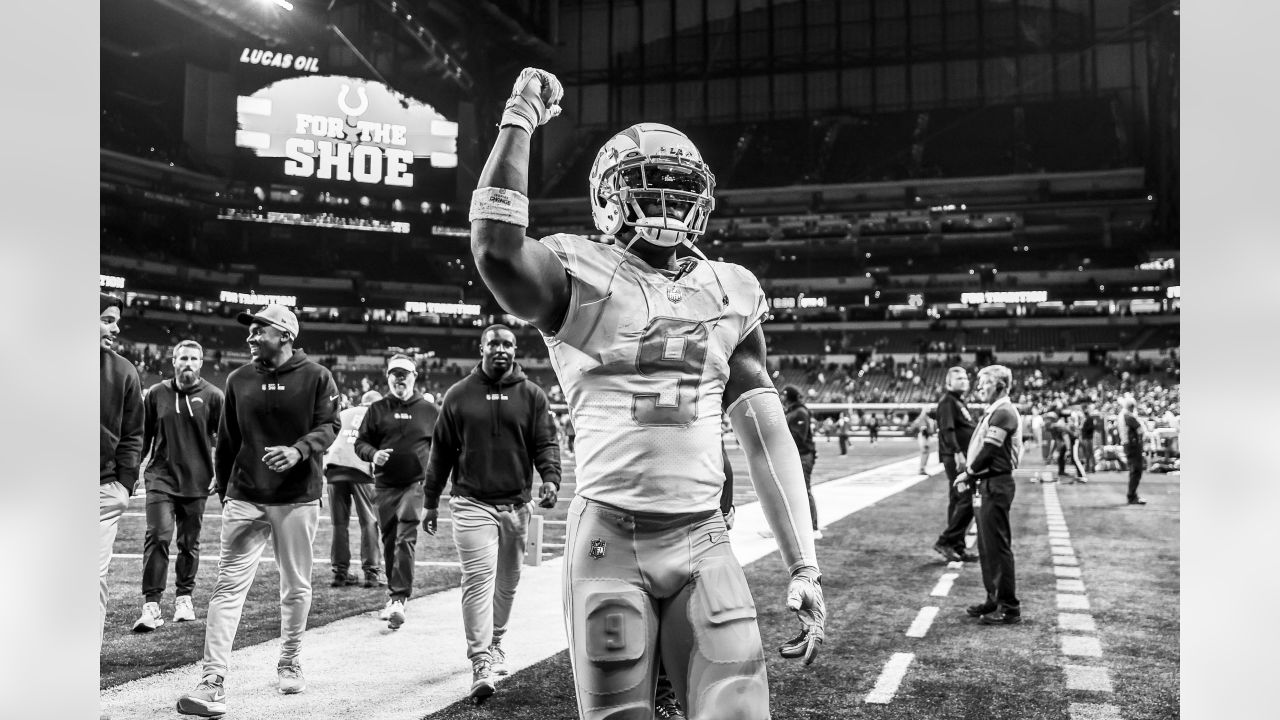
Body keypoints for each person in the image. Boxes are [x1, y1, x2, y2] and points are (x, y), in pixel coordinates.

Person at [466, 67, 825, 719]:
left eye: (679, 187)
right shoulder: (581, 270)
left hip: (703, 537)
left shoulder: (731, 289)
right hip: (610, 539)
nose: (666, 200)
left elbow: (766, 431)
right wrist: (518, 117)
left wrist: (804, 563)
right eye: (649, 184)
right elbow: (494, 249)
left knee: (740, 711)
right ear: (610, 195)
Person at [177, 304, 340, 716]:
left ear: (285, 334)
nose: (250, 337)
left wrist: (299, 450)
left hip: (297, 497)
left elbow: (330, 425)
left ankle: (289, 658)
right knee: (227, 587)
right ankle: (212, 680)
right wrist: (228, 489)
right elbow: (227, 440)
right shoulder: (239, 379)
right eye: (249, 331)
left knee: (296, 585)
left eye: (258, 330)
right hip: (245, 496)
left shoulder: (317, 376)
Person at [421, 325, 561, 703]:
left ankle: (496, 639)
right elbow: (441, 452)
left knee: (508, 582)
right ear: (481, 347)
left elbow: (545, 441)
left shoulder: (531, 395)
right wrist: (431, 500)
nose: (501, 349)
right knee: (478, 579)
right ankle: (480, 659)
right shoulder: (458, 395)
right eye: (494, 343)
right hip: (471, 503)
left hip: (516, 504)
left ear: (515, 350)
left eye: (508, 344)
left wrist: (550, 477)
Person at [134, 340, 223, 632]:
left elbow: (224, 441)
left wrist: (221, 474)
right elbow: (143, 437)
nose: (188, 363)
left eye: (194, 358)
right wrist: (134, 470)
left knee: (188, 544)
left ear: (201, 363)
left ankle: (184, 598)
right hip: (160, 479)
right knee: (158, 536)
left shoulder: (213, 396)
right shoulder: (156, 394)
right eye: (183, 357)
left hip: (197, 483)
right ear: (173, 361)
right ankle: (152, 604)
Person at [355, 355, 440, 629]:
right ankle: (395, 597)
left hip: (416, 485)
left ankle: (399, 597)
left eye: (405, 373)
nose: (399, 378)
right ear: (388, 376)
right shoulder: (377, 408)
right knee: (390, 540)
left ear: (415, 376)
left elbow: (443, 448)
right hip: (385, 485)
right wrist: (373, 454)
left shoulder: (429, 410)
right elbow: (361, 443)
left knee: (405, 536)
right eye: (395, 374)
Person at [953, 365, 1024, 625]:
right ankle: (994, 598)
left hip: (995, 483)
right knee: (986, 547)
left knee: (997, 546)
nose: (979, 387)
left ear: (1001, 386)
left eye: (985, 382)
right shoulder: (996, 410)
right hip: (987, 484)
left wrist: (969, 472)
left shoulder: (1004, 411)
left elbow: (990, 450)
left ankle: (1008, 607)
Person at [100, 292, 144, 648]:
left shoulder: (124, 371)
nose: (116, 328)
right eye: (107, 319)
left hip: (101, 491)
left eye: (116, 320)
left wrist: (124, 485)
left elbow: (133, 435)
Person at [323, 389, 385, 588]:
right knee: (369, 522)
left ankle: (340, 573)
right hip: (361, 470)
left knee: (338, 524)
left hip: (334, 468)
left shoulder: (344, 413)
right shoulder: (379, 415)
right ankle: (371, 574)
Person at [932, 366, 977, 563]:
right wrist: (959, 453)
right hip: (956, 458)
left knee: (957, 499)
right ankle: (946, 541)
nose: (964, 380)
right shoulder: (948, 401)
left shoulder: (958, 402)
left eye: (965, 377)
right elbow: (947, 431)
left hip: (961, 456)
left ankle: (957, 546)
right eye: (958, 378)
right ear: (948, 383)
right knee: (967, 499)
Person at [782, 385, 821, 538]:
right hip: (795, 456)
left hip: (803, 456)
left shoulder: (800, 412)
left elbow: (799, 437)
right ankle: (787, 528)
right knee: (786, 493)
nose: (781, 398)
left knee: (805, 491)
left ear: (789, 396)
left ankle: (813, 527)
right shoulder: (792, 411)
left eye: (784, 395)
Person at [1119, 397, 1148, 505]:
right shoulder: (1128, 416)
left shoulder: (1123, 415)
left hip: (1128, 445)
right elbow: (1140, 430)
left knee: (1134, 471)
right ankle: (1132, 496)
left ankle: (1132, 495)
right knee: (1136, 471)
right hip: (1133, 446)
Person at [912, 407, 935, 475]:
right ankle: (922, 468)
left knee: (926, 452)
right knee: (925, 451)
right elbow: (923, 430)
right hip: (924, 436)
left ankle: (923, 468)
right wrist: (926, 439)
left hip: (926, 436)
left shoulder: (926, 418)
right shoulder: (923, 418)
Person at [1079, 403, 1099, 473]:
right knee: (1087, 453)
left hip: (1088, 438)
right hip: (1085, 437)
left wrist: (1083, 428)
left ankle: (1091, 468)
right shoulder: (1084, 419)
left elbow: (1091, 428)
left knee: (1089, 453)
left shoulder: (1089, 418)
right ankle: (1089, 467)